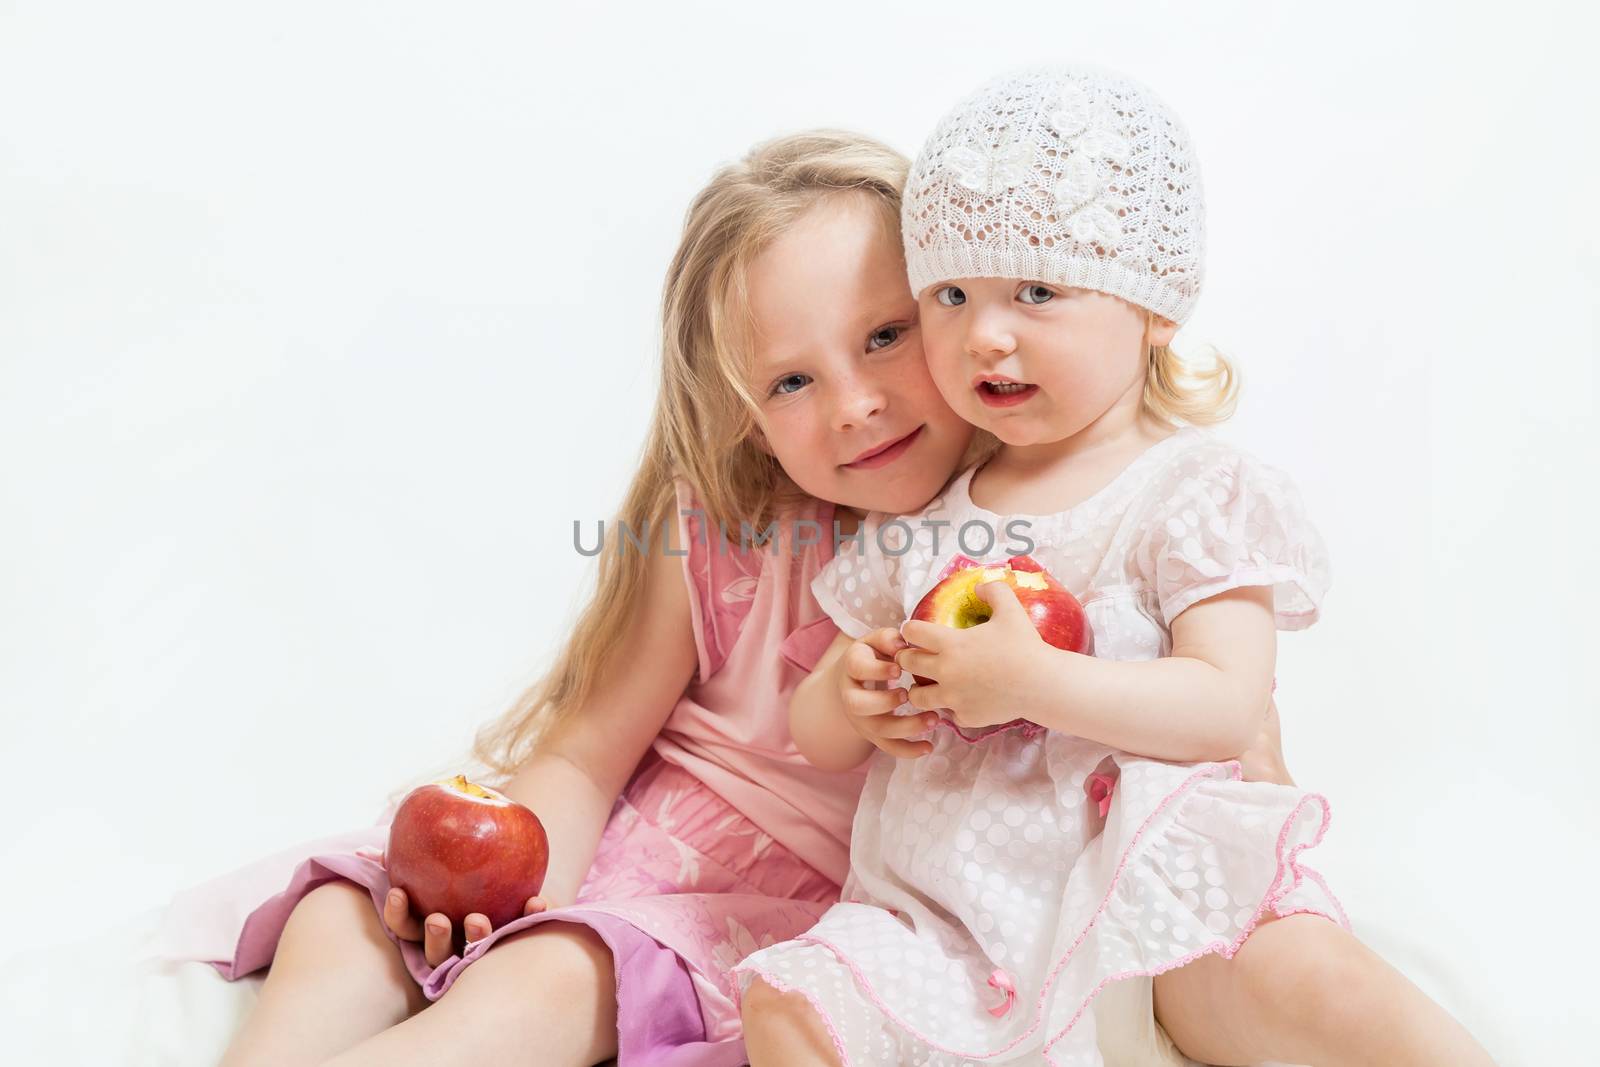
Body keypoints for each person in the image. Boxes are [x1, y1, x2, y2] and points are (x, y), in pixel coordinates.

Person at [735, 65, 1496, 1066]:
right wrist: (852, 691)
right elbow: (818, 738)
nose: (983, 332)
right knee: (789, 1003)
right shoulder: (925, 528)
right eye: (950, 294)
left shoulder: (1185, 493)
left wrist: (1036, 682)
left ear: (1153, 309)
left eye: (1036, 289)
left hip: (1161, 905)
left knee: (1313, 982)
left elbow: (1224, 702)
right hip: (955, 927)